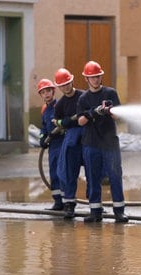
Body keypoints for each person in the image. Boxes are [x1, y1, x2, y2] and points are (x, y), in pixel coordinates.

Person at [76, 60, 128, 223]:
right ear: (86, 79)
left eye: (98, 76)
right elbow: (80, 121)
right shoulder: (83, 99)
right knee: (92, 177)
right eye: (92, 77)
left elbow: (118, 116)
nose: (96, 80)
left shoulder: (110, 93)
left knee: (115, 176)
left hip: (110, 143)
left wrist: (109, 111)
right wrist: (94, 112)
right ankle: (95, 211)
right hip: (91, 144)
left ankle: (119, 211)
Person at [52, 68, 84, 219]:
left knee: (93, 172)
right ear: (59, 87)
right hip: (71, 140)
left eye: (67, 83)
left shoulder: (83, 96)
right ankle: (69, 205)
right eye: (62, 85)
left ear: (72, 81)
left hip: (87, 137)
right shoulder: (60, 104)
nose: (65, 87)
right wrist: (61, 122)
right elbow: (55, 120)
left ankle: (96, 205)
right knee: (68, 172)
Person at [38, 78, 64, 210]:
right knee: (53, 172)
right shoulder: (44, 109)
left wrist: (58, 131)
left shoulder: (59, 105)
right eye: (43, 92)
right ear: (41, 95)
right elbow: (43, 126)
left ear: (53, 91)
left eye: (48, 91)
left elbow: (65, 123)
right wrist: (42, 137)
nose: (46, 94)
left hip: (62, 143)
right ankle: (58, 202)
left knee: (62, 172)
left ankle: (67, 201)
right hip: (52, 146)